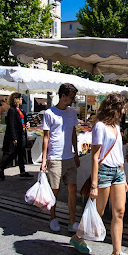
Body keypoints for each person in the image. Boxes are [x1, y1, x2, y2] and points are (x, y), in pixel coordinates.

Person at [70, 93, 128, 255]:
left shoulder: (116, 126)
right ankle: (77, 238)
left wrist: (124, 176)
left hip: (118, 172)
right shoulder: (99, 126)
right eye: (123, 107)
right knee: (97, 213)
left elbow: (118, 153)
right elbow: (95, 156)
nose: (124, 111)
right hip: (104, 172)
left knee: (120, 211)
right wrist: (93, 184)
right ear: (114, 108)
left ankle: (117, 253)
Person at [41, 83, 80, 232]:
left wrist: (76, 153)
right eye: (71, 97)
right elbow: (46, 137)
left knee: (72, 188)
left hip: (69, 157)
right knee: (54, 190)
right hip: (55, 157)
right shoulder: (49, 113)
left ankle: (71, 221)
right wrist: (44, 160)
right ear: (63, 96)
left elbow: (73, 134)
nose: (73, 100)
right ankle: (53, 218)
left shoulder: (72, 113)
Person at [0, 92, 32, 180]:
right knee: (12, 154)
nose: (21, 100)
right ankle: (1, 167)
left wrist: (27, 124)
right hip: (16, 135)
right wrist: (14, 138)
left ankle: (22, 172)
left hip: (22, 134)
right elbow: (11, 125)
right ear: (16, 99)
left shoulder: (21, 110)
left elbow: (25, 121)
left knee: (21, 153)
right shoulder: (12, 110)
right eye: (20, 99)